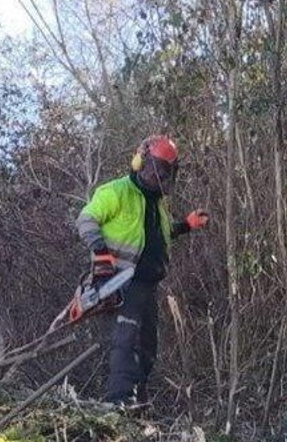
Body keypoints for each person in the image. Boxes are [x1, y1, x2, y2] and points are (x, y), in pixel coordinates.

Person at [75, 135, 209, 405]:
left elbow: (158, 233)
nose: (157, 175)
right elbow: (86, 219)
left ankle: (139, 402)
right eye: (154, 168)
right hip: (122, 280)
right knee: (126, 341)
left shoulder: (155, 202)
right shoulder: (116, 192)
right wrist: (100, 251)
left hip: (148, 283)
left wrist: (186, 225)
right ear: (140, 162)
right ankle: (119, 401)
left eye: (163, 170)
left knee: (147, 348)